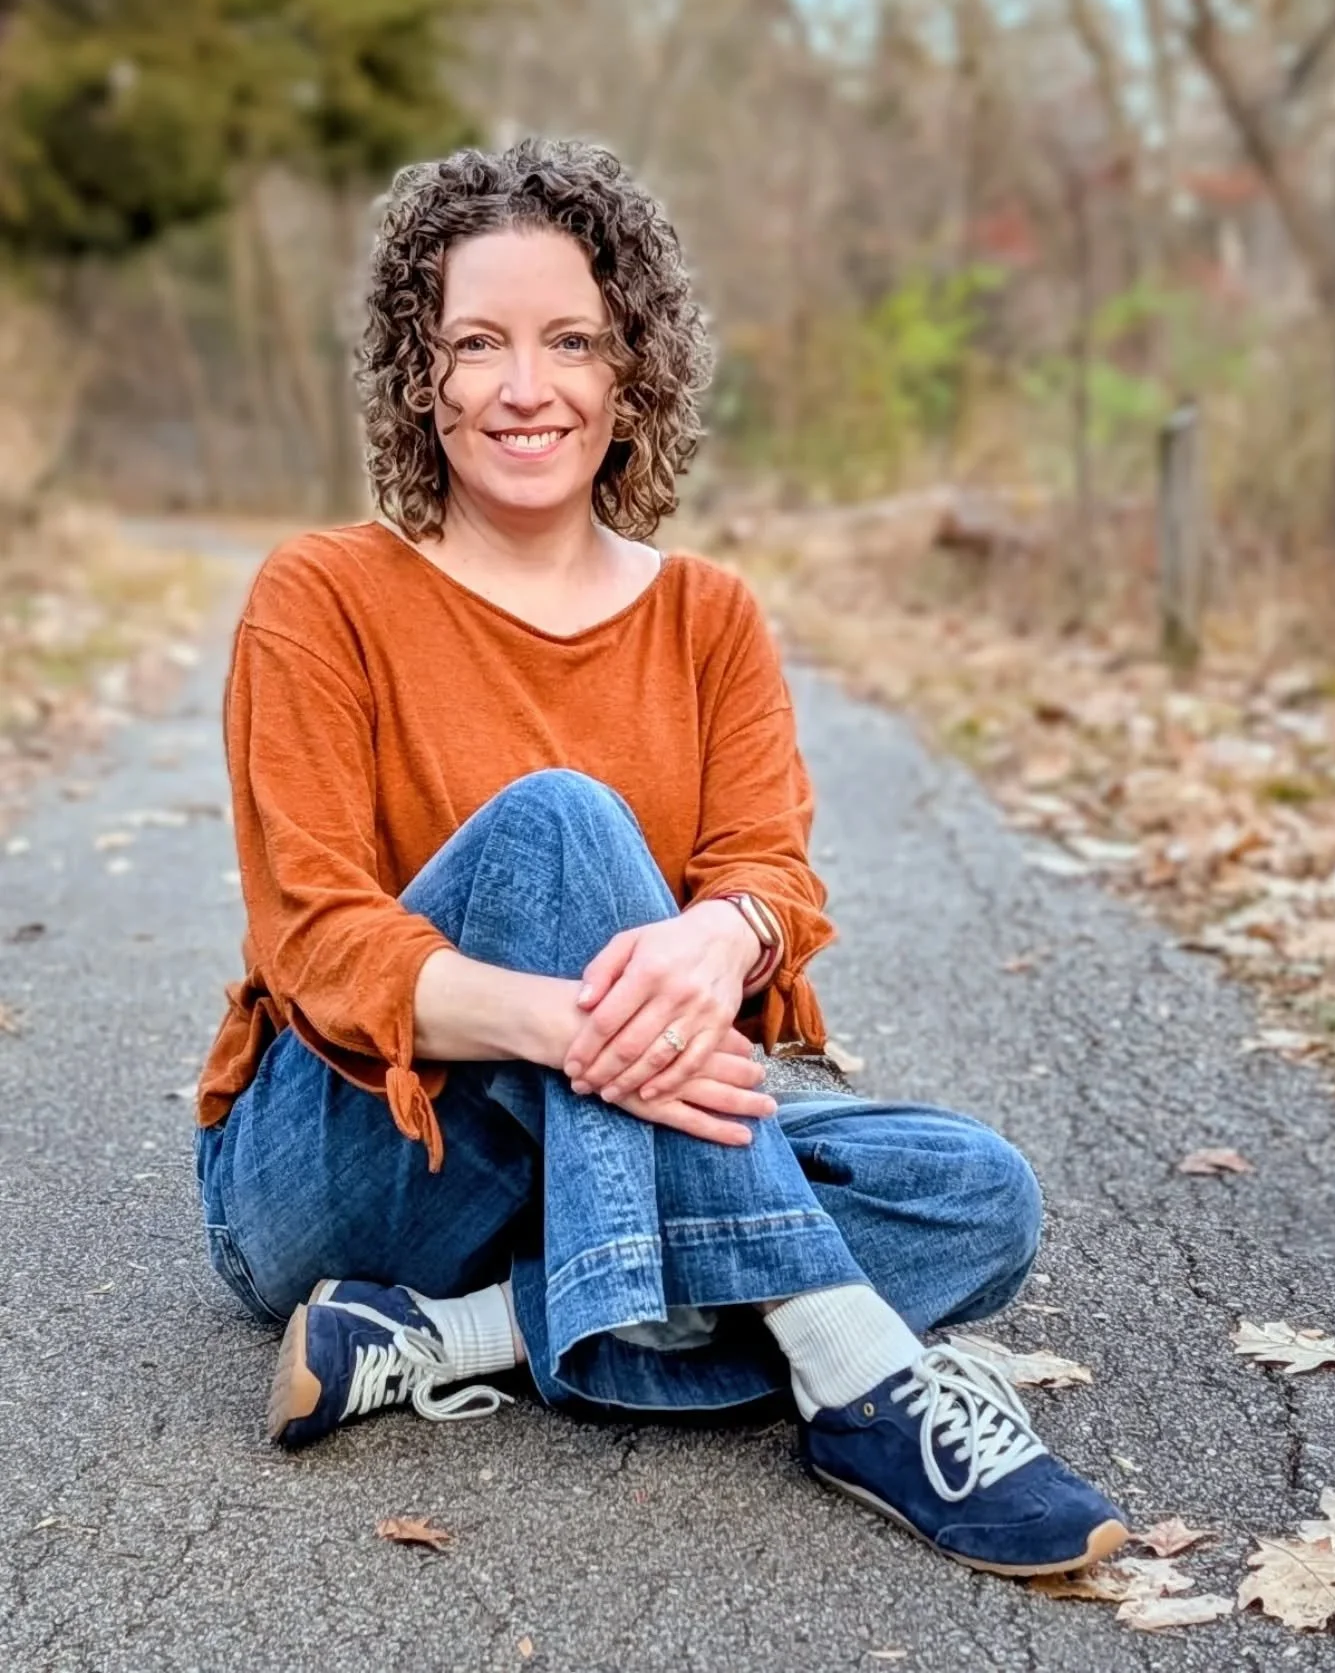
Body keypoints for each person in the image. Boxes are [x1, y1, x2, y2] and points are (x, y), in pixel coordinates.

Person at [193, 138, 1127, 1578]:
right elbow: (317, 939)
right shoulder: (322, 595)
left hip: (587, 1164)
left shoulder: (710, 617)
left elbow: (768, 866)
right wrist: (590, 1032)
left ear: (633, 372)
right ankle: (858, 1373)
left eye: (572, 341)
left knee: (978, 1195)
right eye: (477, 343)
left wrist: (724, 940)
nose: (526, 387)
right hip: (349, 1164)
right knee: (562, 821)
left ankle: (458, 1332)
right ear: (415, 370)